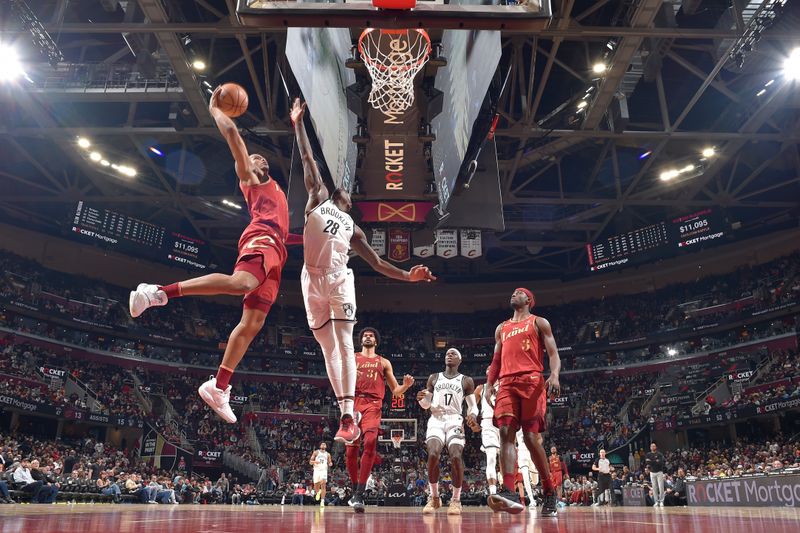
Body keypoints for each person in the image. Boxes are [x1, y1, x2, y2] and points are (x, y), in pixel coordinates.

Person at [129, 86, 290, 424]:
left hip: (278, 251)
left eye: (261, 158)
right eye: (253, 158)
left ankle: (218, 386)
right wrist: (217, 109)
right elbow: (232, 133)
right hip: (262, 239)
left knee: (253, 323)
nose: (258, 159)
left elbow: (289, 234)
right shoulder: (250, 180)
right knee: (239, 283)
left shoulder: (276, 191)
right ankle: (157, 292)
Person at [290, 98, 435, 444]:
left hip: (340, 279)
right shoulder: (318, 198)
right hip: (311, 278)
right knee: (327, 349)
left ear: (351, 204)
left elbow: (379, 263)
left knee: (343, 343)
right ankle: (345, 411)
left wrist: (407, 277)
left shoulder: (354, 228)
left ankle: (346, 415)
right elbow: (308, 160)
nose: (346, 190)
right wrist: (298, 123)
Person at [484, 288, 562, 516]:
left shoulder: (539, 322)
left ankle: (549, 490)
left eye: (519, 293)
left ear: (529, 300)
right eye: (513, 292)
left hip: (532, 381)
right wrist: (489, 384)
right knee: (505, 431)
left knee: (530, 437)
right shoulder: (502, 328)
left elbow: (553, 353)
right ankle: (508, 490)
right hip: (506, 382)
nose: (513, 294)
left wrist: (554, 374)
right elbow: (496, 359)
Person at [345, 327, 415, 513]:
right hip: (353, 404)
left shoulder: (383, 362)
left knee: (369, 442)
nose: (368, 337)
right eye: (365, 335)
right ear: (361, 341)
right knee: (351, 452)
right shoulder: (352, 358)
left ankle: (359, 494)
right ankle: (354, 489)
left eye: (371, 335)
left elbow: (396, 390)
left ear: (376, 341)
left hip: (373, 405)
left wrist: (406, 386)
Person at [416, 348, 478, 516]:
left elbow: (473, 406)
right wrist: (421, 399)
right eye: (447, 354)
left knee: (456, 456)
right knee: (433, 454)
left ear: (460, 360)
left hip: (455, 419)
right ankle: (434, 497)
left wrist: (472, 415)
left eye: (453, 354)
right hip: (436, 419)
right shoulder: (434, 377)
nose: (449, 355)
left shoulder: (466, 381)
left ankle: (456, 500)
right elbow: (426, 404)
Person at [474, 378, 501, 497]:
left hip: (505, 423)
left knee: (507, 460)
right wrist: (472, 418)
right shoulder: (481, 388)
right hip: (488, 423)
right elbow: (472, 406)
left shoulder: (506, 385)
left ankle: (508, 489)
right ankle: (493, 493)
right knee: (491, 458)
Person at [309, 442, 332, 508]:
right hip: (316, 470)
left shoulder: (328, 454)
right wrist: (316, 462)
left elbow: (330, 462)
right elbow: (310, 462)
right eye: (322, 444)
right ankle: (318, 492)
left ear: (326, 447)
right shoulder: (316, 452)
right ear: (320, 446)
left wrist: (330, 464)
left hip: (323, 471)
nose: (323, 445)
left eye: (324, 444)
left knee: (323, 484)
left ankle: (322, 501)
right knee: (316, 486)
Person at [645, 442, 666, 507]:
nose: (653, 447)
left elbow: (661, 462)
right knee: (654, 488)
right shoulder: (648, 454)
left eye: (654, 446)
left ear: (656, 447)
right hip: (652, 472)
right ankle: (656, 501)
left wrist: (651, 461)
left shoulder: (659, 454)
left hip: (659, 472)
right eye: (652, 446)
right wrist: (655, 461)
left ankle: (661, 501)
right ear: (650, 447)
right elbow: (647, 462)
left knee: (661, 487)